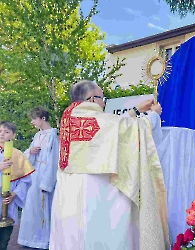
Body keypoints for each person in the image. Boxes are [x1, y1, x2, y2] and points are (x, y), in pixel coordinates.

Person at [49, 80, 170, 250]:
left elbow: (112, 129)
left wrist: (135, 110)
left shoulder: (71, 118)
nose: (104, 102)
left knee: (72, 237)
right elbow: (131, 129)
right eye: (102, 97)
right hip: (95, 195)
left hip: (69, 195)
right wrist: (154, 115)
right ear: (92, 99)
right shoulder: (92, 116)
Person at [18, 107, 60, 249]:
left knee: (43, 209)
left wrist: (47, 183)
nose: (32, 122)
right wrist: (31, 151)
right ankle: (29, 239)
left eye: (34, 119)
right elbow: (27, 156)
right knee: (31, 208)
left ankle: (42, 240)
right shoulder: (37, 136)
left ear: (43, 118)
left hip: (44, 177)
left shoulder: (53, 136)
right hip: (34, 175)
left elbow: (54, 161)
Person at [0, 121, 34, 250]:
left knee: (4, 239)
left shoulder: (19, 155)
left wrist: (14, 194)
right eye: (0, 131)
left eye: (6, 132)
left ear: (13, 135)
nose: (2, 134)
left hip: (9, 201)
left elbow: (26, 180)